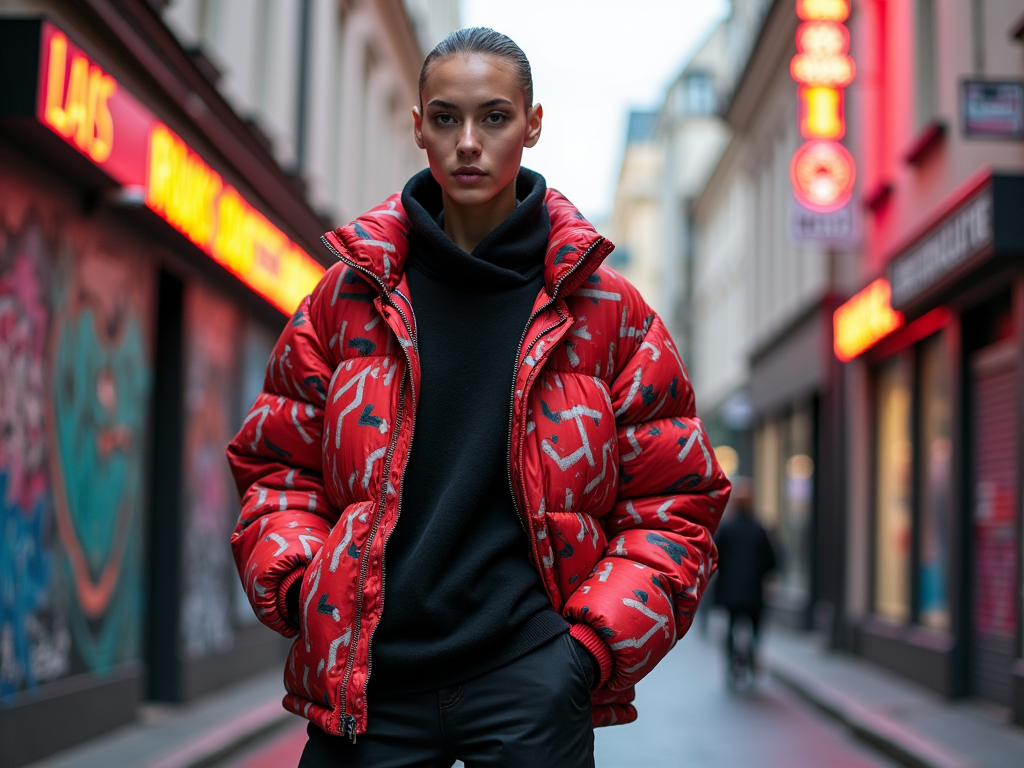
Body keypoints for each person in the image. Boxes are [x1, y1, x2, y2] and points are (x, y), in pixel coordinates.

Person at [227, 27, 730, 768]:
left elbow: (676, 503)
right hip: (372, 680)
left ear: (532, 124)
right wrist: (309, 591)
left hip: (530, 674)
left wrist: (585, 652)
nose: (468, 141)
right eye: (446, 118)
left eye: (494, 117)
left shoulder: (606, 312)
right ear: (419, 125)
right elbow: (277, 468)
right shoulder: (349, 299)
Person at [712, 477, 776, 687]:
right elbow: (771, 560)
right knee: (755, 627)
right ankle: (752, 657)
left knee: (731, 626)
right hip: (753, 590)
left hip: (729, 590)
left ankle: (732, 665)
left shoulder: (727, 529)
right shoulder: (759, 530)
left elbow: (715, 557)